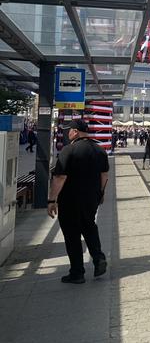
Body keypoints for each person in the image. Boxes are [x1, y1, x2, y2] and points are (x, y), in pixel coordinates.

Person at [47, 119, 109, 284]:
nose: (68, 133)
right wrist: (101, 193)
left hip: (70, 199)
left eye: (70, 130)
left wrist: (52, 199)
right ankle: (98, 257)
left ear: (75, 132)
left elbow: (60, 177)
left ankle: (77, 273)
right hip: (91, 198)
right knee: (89, 226)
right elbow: (104, 175)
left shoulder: (69, 150)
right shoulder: (99, 150)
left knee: (72, 234)